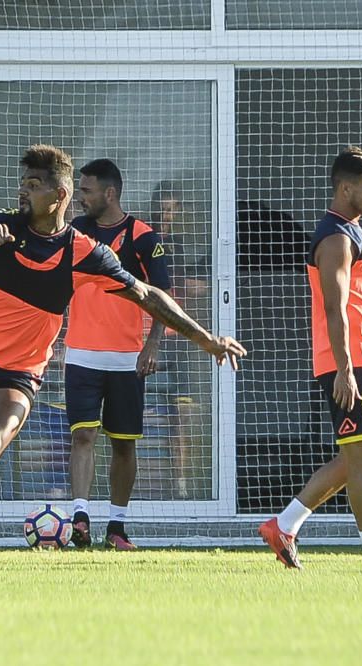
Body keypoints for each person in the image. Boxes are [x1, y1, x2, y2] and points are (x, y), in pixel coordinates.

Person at [0, 144, 246, 584]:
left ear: (59, 195)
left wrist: (207, 340)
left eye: (34, 185)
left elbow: (151, 296)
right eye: (22, 183)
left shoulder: (84, 251)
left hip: (14, 375)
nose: (23, 192)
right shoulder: (4, 227)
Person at [258, 146, 362, 573]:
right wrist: (346, 368)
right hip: (347, 363)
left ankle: (285, 525)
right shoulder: (334, 238)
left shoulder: (354, 231)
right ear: (345, 187)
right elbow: (336, 307)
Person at [64, 159, 171, 550]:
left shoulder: (142, 236)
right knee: (83, 436)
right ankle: (79, 519)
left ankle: (117, 527)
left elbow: (162, 297)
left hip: (129, 358)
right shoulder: (74, 233)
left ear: (110, 193)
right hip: (81, 355)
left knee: (124, 443)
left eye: (87, 190)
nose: (81, 196)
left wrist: (153, 343)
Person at [150, 180, 211, 499]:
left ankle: (182, 483)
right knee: (140, 413)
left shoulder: (186, 245)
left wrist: (185, 285)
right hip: (146, 338)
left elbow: (196, 286)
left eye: (173, 209)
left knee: (183, 414)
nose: (167, 215)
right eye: (163, 208)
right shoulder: (144, 240)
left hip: (179, 339)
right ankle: (140, 486)